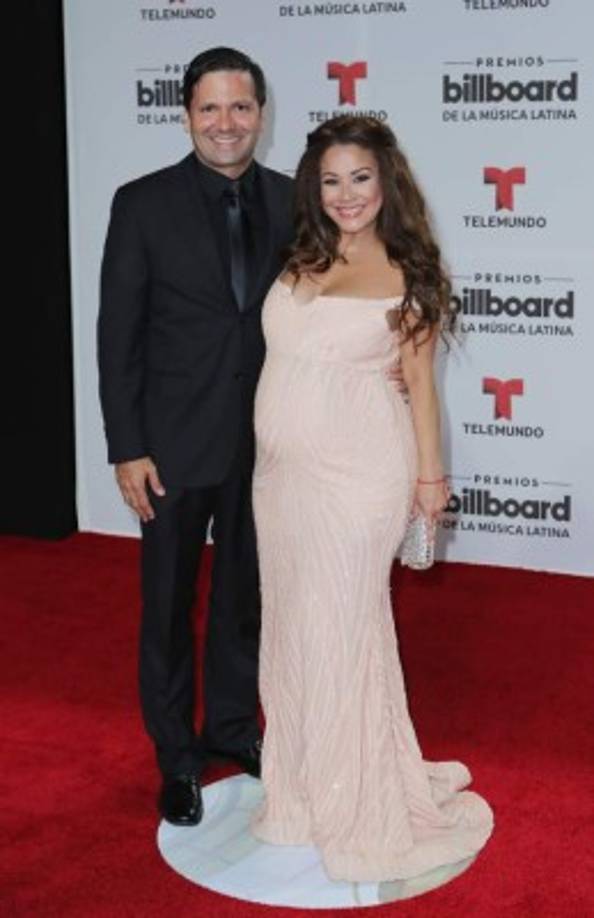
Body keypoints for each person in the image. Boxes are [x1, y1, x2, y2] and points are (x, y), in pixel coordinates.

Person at [251, 116, 493, 881]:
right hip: (280, 482)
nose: (346, 194)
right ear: (313, 189)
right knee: (293, 628)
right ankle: (303, 793)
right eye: (331, 180)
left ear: (387, 182)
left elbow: (419, 386)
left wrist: (430, 481)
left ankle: (357, 803)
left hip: (359, 477)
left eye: (360, 178)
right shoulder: (305, 251)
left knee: (341, 630)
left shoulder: (407, 271)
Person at [97, 47, 294, 827]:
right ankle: (177, 757)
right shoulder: (142, 204)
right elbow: (119, 335)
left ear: (261, 115)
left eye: (240, 107)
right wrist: (127, 446)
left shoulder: (292, 200)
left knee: (245, 600)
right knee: (168, 608)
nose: (225, 123)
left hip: (266, 444)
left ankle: (234, 730)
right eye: (209, 108)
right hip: (171, 449)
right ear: (185, 116)